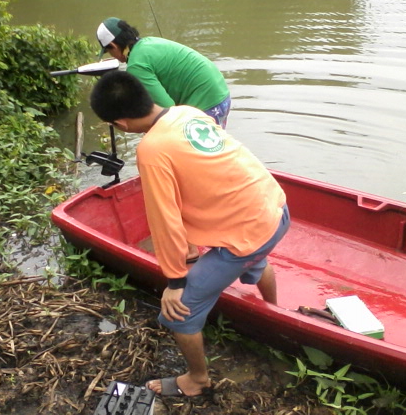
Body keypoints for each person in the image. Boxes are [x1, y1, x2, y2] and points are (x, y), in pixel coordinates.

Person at [89, 70, 290, 398]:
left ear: (120, 124)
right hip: (275, 209)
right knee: (255, 257)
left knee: (179, 311)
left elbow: (164, 221)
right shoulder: (188, 112)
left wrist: (175, 282)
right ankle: (275, 313)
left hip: (251, 231)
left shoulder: (151, 151)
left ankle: (197, 380)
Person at [96, 17, 232, 128]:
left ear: (113, 46)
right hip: (221, 93)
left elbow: (168, 113)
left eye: (109, 51)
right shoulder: (150, 42)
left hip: (207, 103)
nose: (112, 56)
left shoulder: (136, 65)